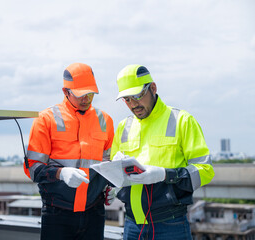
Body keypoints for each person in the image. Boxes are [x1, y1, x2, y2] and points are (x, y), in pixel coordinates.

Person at [111, 64, 215, 240]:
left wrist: (165, 175)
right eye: (127, 99)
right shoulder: (124, 127)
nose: (133, 104)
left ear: (153, 88)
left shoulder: (182, 120)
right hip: (132, 224)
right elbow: (115, 173)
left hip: (169, 224)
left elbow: (205, 170)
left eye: (137, 96)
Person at [23, 63, 115, 240]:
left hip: (94, 212)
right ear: (66, 91)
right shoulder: (45, 120)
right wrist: (60, 173)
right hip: (57, 213)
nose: (86, 98)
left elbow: (108, 163)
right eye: (81, 94)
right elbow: (32, 168)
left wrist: (111, 185)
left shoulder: (105, 120)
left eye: (90, 93)